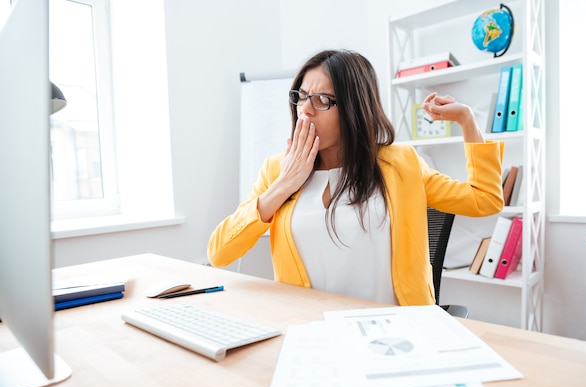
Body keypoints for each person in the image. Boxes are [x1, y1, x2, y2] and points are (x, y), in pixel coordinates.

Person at [208, 49, 503, 306]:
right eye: (300, 97)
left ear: (354, 108)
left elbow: (485, 200)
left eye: (322, 100)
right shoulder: (276, 170)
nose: (305, 111)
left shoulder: (400, 164)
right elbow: (219, 253)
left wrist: (467, 120)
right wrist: (285, 183)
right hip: (311, 329)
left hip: (395, 330)